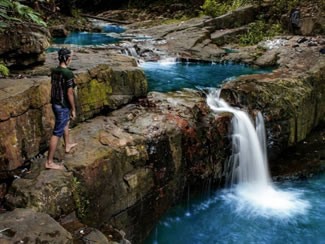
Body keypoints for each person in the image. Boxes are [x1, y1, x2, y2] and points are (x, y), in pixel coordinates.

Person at [46, 48, 77, 170]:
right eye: (70, 57)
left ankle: (67, 145)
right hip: (62, 105)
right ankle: (49, 162)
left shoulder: (54, 71)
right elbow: (70, 93)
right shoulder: (68, 73)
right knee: (56, 133)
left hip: (55, 103)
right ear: (67, 58)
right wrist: (73, 109)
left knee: (65, 122)